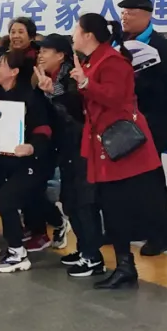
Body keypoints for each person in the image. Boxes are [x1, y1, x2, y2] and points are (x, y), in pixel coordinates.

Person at [71, 13, 167, 302]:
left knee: (152, 207)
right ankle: (125, 267)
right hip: (105, 149)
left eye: (76, 30)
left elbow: (115, 97)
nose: (72, 35)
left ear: (88, 35)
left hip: (127, 149)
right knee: (112, 209)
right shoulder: (91, 61)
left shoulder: (114, 61)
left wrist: (85, 84)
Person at [117, 0, 167, 257]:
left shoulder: (161, 48)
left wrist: (133, 83)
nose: (125, 18)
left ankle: (160, 235)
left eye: (130, 13)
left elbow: (166, 93)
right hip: (122, 128)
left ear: (147, 15)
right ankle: (134, 227)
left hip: (151, 127)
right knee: (127, 181)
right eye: (123, 13)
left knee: (151, 183)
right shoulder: (119, 44)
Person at [37, 34, 102, 277]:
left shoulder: (73, 76)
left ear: (60, 55)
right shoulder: (45, 77)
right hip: (64, 148)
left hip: (81, 147)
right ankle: (84, 249)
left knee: (83, 201)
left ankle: (93, 257)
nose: (41, 55)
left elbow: (77, 108)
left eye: (45, 51)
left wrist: (53, 92)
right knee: (69, 200)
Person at [0, 51, 54, 273]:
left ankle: (17, 253)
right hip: (7, 163)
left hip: (33, 162)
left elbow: (44, 130)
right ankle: (58, 222)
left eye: (0, 64)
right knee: (31, 199)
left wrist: (31, 147)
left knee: (6, 199)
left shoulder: (30, 97)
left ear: (14, 72)